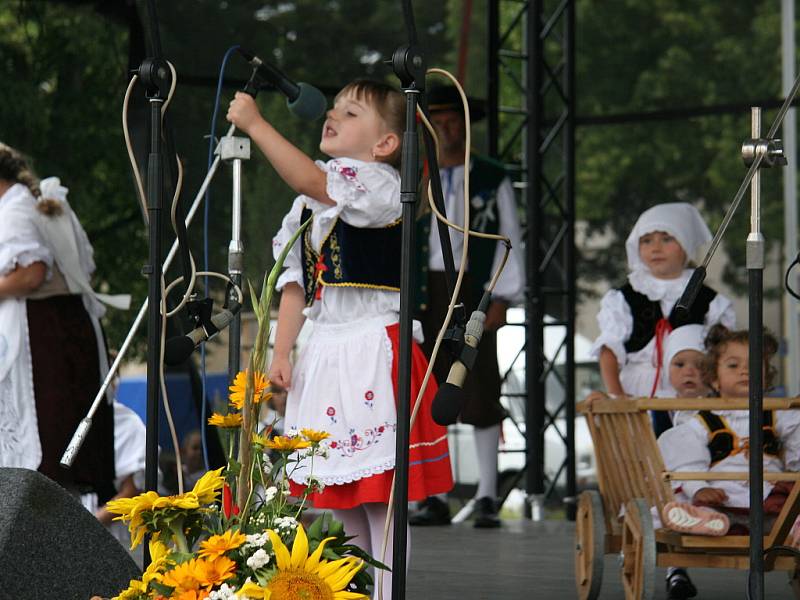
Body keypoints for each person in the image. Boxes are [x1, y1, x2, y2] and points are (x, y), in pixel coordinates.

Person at [227, 79, 453, 599]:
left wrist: (259, 126)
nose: (332, 116)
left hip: (374, 347)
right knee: (347, 495)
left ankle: (389, 594)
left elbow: (315, 181)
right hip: (325, 351)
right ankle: (356, 590)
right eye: (333, 109)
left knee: (381, 500)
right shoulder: (311, 201)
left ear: (385, 144)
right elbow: (295, 284)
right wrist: (282, 353)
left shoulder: (377, 183)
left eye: (350, 113)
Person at [409, 84, 524, 529]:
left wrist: (502, 296)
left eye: (452, 119)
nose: (446, 127)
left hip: (474, 288)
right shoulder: (415, 175)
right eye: (436, 121)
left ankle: (488, 496)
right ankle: (433, 496)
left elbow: (511, 236)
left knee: (479, 385)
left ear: (466, 124)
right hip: (424, 291)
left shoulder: (492, 175)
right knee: (425, 390)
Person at [0, 144, 128, 499]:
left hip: (47, 338)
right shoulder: (30, 202)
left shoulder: (16, 210)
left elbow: (31, 274)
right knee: (57, 457)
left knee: (49, 451)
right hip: (63, 332)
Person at [657, 325, 800, 599]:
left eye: (754, 365)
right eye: (733, 365)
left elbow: (797, 437)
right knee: (704, 506)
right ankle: (704, 520)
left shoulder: (777, 413)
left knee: (791, 507)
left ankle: (795, 529)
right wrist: (698, 488)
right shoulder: (701, 418)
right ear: (713, 379)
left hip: (770, 504)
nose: (745, 371)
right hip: (723, 496)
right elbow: (685, 453)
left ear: (766, 375)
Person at [590, 203, 735, 436]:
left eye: (667, 239)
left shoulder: (710, 300)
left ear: (686, 245)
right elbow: (609, 351)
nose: (656, 247)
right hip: (637, 393)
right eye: (646, 241)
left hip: (692, 393)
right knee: (641, 457)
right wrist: (617, 397)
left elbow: (723, 353)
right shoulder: (622, 298)